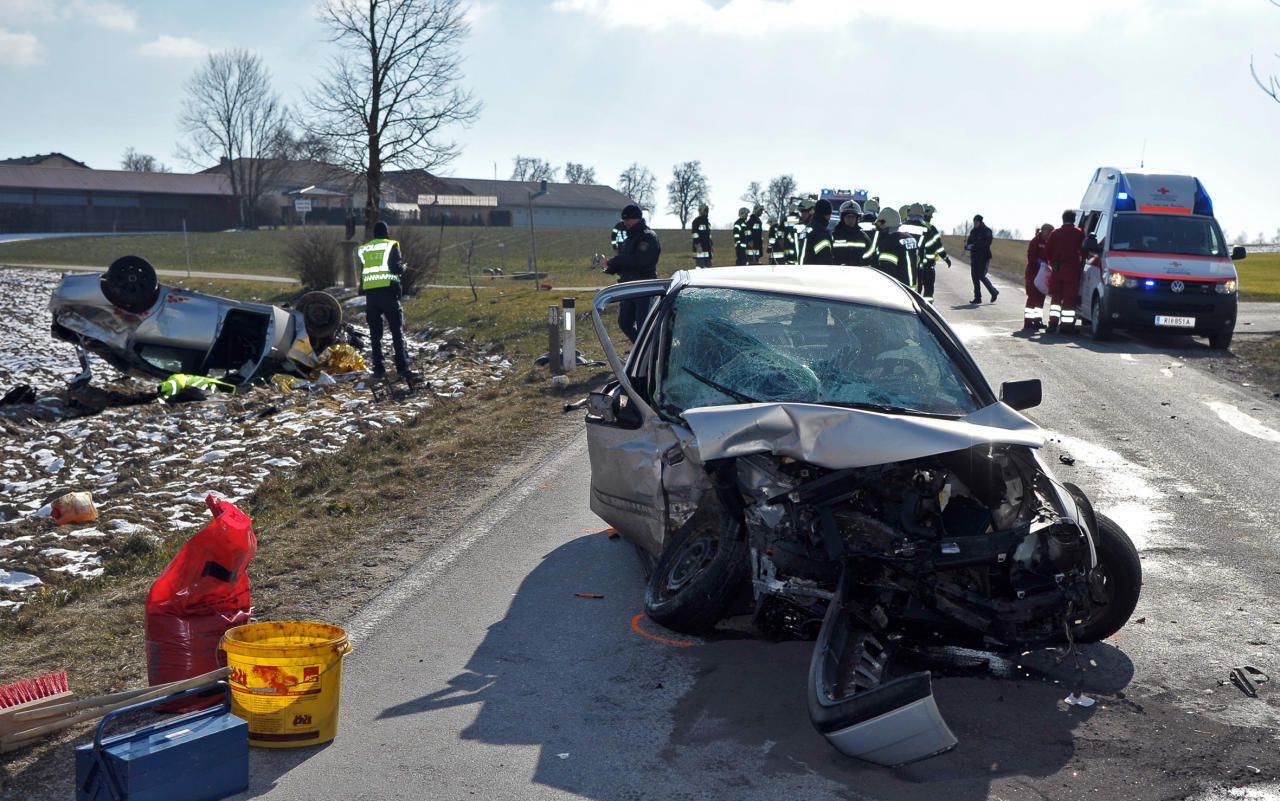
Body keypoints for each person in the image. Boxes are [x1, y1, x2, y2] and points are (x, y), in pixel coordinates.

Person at [357, 220, 410, 379]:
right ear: (386, 232)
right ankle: (402, 367)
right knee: (396, 331)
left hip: (371, 296)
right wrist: (404, 268)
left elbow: (364, 271)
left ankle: (379, 369)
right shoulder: (391, 245)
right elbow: (395, 268)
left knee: (375, 334)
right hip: (388, 293)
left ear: (374, 234)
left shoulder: (365, 249)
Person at [604, 204, 662, 343]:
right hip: (628, 286)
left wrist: (617, 260)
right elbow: (625, 261)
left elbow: (641, 260)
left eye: (628, 219)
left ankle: (650, 351)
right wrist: (612, 267)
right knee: (624, 323)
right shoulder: (629, 238)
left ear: (636, 219)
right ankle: (640, 350)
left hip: (644, 286)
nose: (625, 223)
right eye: (624, 220)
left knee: (644, 325)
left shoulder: (647, 237)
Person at [1044, 210, 1086, 333]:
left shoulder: (1055, 233)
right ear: (1074, 219)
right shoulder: (1079, 233)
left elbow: (1047, 251)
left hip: (1057, 270)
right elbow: (1084, 251)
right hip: (1072, 271)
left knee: (1056, 299)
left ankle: (1052, 324)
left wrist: (1053, 263)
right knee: (1069, 300)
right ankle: (1066, 326)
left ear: (1063, 219)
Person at [872, 207, 920, 289]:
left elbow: (887, 272)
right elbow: (918, 261)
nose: (878, 229)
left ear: (886, 225)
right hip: (913, 289)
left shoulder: (889, 243)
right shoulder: (911, 238)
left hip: (897, 290)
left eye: (879, 226)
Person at [1022, 223, 1054, 331]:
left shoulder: (1049, 242)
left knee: (1041, 298)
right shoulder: (1035, 241)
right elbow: (1031, 256)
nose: (1050, 235)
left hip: (1043, 275)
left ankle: (1037, 321)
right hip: (1033, 273)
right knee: (1032, 297)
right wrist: (1039, 262)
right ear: (1043, 231)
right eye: (1049, 232)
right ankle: (1028, 322)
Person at [964, 214, 998, 304]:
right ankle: (977, 297)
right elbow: (969, 241)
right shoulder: (973, 231)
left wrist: (975, 245)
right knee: (974, 277)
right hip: (974, 257)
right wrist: (967, 246)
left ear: (980, 222)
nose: (975, 224)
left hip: (984, 257)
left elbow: (987, 243)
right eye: (974, 222)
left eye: (976, 222)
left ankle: (993, 292)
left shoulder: (987, 231)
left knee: (981, 276)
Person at [832, 200, 872, 266]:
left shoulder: (864, 237)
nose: (850, 220)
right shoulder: (834, 236)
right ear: (842, 218)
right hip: (838, 271)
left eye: (853, 217)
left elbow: (869, 258)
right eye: (848, 217)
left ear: (857, 218)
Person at [798, 199, 835, 265]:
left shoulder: (807, 229)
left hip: (801, 268)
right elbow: (825, 258)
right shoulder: (821, 232)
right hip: (814, 270)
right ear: (827, 214)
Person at [691, 204, 713, 268]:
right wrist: (698, 246)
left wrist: (711, 245)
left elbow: (709, 236)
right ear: (700, 211)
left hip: (707, 248)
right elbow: (695, 234)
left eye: (707, 211)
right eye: (705, 211)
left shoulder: (707, 222)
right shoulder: (696, 221)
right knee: (699, 267)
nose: (706, 212)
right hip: (699, 248)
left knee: (708, 267)